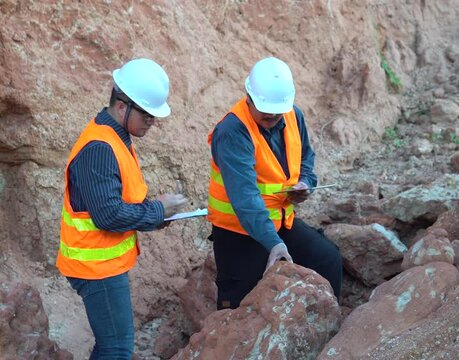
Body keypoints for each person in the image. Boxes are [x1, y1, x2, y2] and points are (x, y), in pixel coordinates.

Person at [56, 58, 188, 359]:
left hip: (101, 264)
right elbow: (108, 215)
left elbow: (115, 201)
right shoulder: (100, 148)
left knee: (111, 345)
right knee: (116, 349)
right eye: (147, 115)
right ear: (121, 106)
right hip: (95, 268)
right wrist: (157, 211)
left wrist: (158, 214)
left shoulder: (115, 136)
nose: (152, 122)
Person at [207, 56, 343, 309]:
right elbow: (245, 198)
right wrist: (274, 244)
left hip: (280, 221)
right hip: (238, 232)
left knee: (327, 260)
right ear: (248, 96)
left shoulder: (292, 115)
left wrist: (305, 183)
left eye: (276, 114)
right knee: (238, 303)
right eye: (265, 114)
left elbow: (306, 156)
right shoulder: (232, 132)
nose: (272, 118)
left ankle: (327, 327)